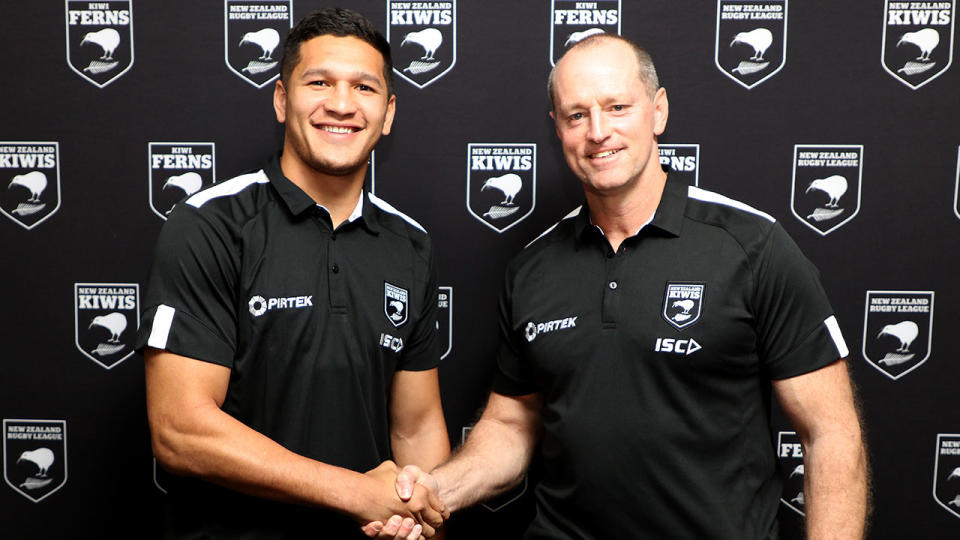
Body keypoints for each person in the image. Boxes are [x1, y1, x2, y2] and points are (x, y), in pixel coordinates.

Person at [366, 34, 868, 540]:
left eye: (617, 107)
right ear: (558, 129)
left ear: (658, 111)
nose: (598, 132)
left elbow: (830, 433)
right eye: (576, 115)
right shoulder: (533, 267)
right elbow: (511, 426)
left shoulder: (752, 246)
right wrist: (430, 492)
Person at [137, 8, 449, 539]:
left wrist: (423, 521)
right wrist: (356, 493)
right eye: (319, 82)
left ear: (388, 112)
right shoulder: (211, 224)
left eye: (364, 88)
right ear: (283, 100)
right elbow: (180, 429)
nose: (342, 104)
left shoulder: (409, 245)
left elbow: (416, 427)